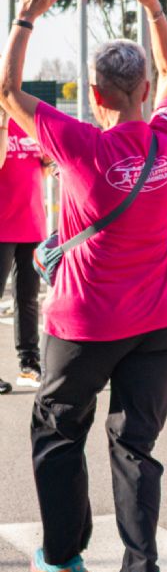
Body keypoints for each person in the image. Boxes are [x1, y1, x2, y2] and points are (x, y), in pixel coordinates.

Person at [0, 0, 167, 572]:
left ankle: (64, 557)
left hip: (86, 324)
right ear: (143, 91)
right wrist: (153, 6)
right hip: (161, 325)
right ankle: (143, 569)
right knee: (135, 443)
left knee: (58, 429)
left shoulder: (79, 143)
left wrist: (26, 18)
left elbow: (7, 91)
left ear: (97, 94)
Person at [0, 112, 47, 389]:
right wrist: (3, 122)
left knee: (28, 298)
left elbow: (43, 168)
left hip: (31, 223)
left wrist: (48, 157)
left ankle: (29, 364)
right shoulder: (5, 123)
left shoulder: (28, 122)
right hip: (2, 226)